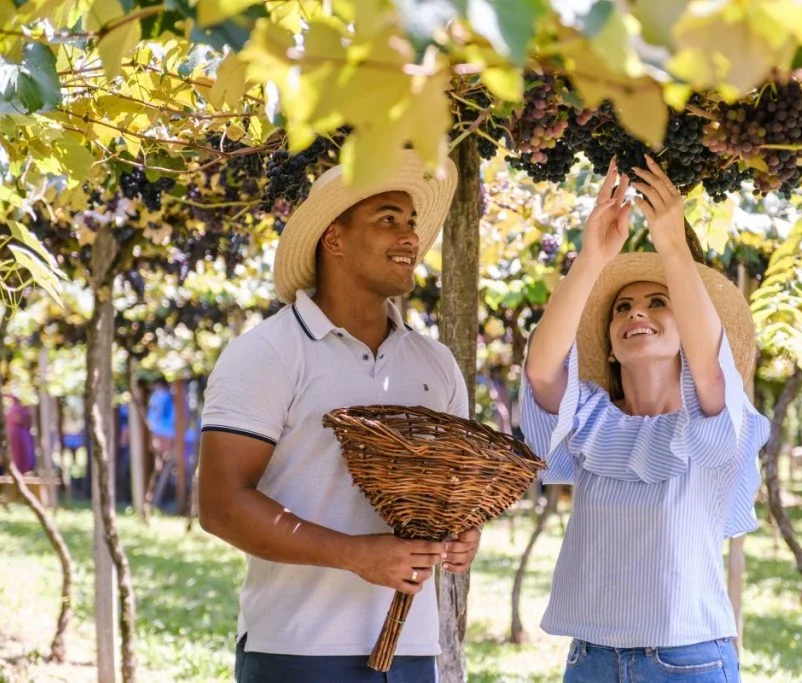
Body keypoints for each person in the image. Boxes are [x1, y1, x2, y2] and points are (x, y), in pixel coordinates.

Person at [198, 149, 482, 683]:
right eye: (388, 220)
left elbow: (451, 495)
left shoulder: (436, 365)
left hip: (414, 653)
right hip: (298, 649)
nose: (410, 238)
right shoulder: (269, 353)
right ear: (335, 239)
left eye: (412, 223)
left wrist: (463, 532)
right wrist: (357, 556)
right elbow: (220, 505)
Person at [520, 157, 770, 682]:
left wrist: (672, 248)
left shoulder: (716, 418)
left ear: (688, 334)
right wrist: (591, 258)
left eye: (658, 303)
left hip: (687, 659)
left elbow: (710, 372)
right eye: (621, 307)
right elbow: (542, 370)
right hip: (589, 659)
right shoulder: (588, 421)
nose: (636, 313)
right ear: (610, 347)